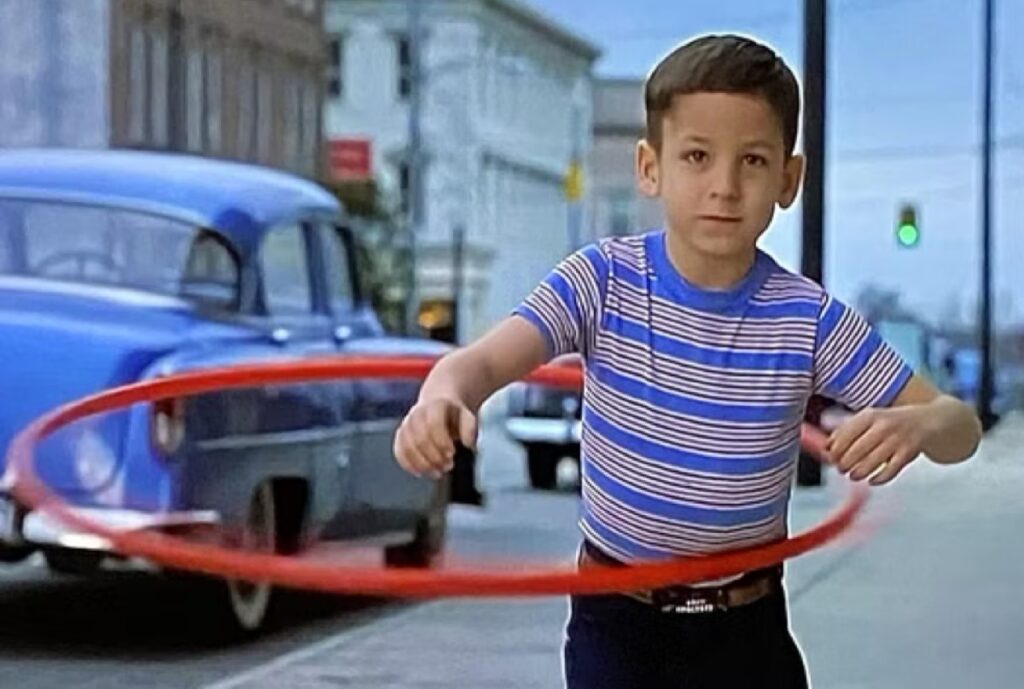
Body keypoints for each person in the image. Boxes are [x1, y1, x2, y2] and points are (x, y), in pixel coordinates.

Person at [393, 34, 982, 689]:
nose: (724, 187)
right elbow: (476, 364)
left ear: (789, 180)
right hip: (618, 622)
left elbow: (961, 425)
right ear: (651, 167)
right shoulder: (602, 281)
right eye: (697, 156)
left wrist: (923, 425)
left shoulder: (808, 319)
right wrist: (441, 398)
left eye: (753, 161)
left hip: (746, 630)